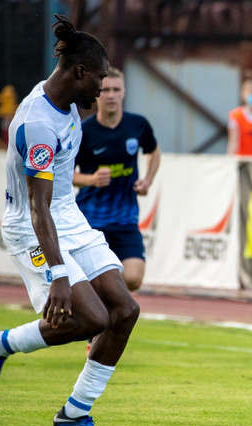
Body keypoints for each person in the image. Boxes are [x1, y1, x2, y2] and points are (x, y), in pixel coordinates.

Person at [0, 16, 140, 426]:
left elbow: (57, 198)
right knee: (89, 318)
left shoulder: (65, 102)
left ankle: (75, 414)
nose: (102, 90)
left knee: (124, 310)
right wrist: (59, 275)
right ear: (79, 72)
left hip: (68, 217)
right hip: (33, 226)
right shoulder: (38, 125)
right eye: (99, 80)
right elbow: (37, 206)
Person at [73, 66, 160, 292]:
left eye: (116, 90)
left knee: (133, 278)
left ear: (124, 92)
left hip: (125, 220)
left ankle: (107, 302)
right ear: (96, 93)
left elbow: (153, 151)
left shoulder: (138, 125)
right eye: (105, 90)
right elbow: (66, 175)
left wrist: (148, 180)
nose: (111, 95)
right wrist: (91, 180)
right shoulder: (84, 131)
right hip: (91, 221)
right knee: (94, 279)